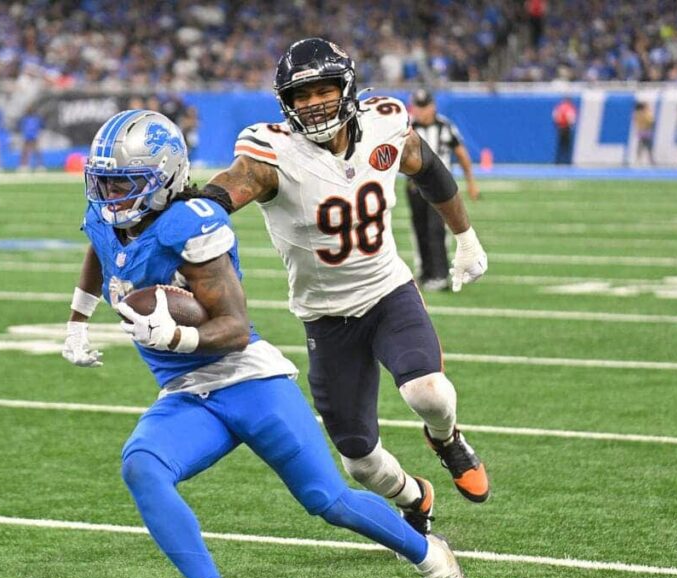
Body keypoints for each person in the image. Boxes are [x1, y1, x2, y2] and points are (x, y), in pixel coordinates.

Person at [62, 109, 476, 578]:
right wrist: (78, 318)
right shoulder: (104, 214)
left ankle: (432, 557)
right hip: (187, 394)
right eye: (105, 183)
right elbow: (102, 250)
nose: (111, 196)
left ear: (164, 177)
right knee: (142, 465)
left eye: (125, 184)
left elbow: (234, 329)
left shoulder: (191, 225)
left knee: (327, 499)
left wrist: (177, 336)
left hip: (248, 379)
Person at [202, 38, 491, 512]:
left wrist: (466, 238)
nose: (314, 104)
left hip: (387, 291)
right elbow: (230, 188)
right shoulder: (272, 152)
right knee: (359, 461)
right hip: (326, 316)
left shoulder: (384, 124)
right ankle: (416, 498)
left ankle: (446, 439)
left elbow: (429, 170)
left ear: (347, 88)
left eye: (323, 90)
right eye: (301, 96)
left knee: (431, 394)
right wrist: (186, 212)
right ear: (286, 104)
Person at [407, 88, 480, 292]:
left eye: (425, 106)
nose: (421, 111)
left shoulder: (445, 126)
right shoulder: (409, 127)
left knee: (436, 229)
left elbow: (461, 154)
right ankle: (425, 272)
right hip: (414, 187)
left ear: (433, 106)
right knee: (419, 229)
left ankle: (440, 274)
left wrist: (471, 182)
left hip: (438, 187)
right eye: (418, 107)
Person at [552, 96, 577, 165]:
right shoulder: (569, 108)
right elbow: (571, 117)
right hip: (567, 128)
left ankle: (558, 161)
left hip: (560, 128)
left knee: (560, 145)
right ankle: (568, 161)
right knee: (567, 146)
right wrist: (571, 125)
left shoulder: (559, 107)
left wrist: (557, 124)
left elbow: (555, 116)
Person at [18, 106, 43, 172]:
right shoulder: (25, 119)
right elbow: (22, 127)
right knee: (24, 151)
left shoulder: (36, 119)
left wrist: (37, 134)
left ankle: (39, 165)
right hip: (27, 136)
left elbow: (39, 127)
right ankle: (23, 165)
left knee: (36, 151)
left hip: (34, 136)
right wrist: (24, 134)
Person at [632, 101, 655, 166]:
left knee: (641, 146)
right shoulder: (645, 113)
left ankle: (638, 159)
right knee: (648, 146)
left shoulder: (636, 114)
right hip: (646, 131)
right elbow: (651, 121)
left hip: (641, 131)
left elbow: (636, 122)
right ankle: (650, 159)